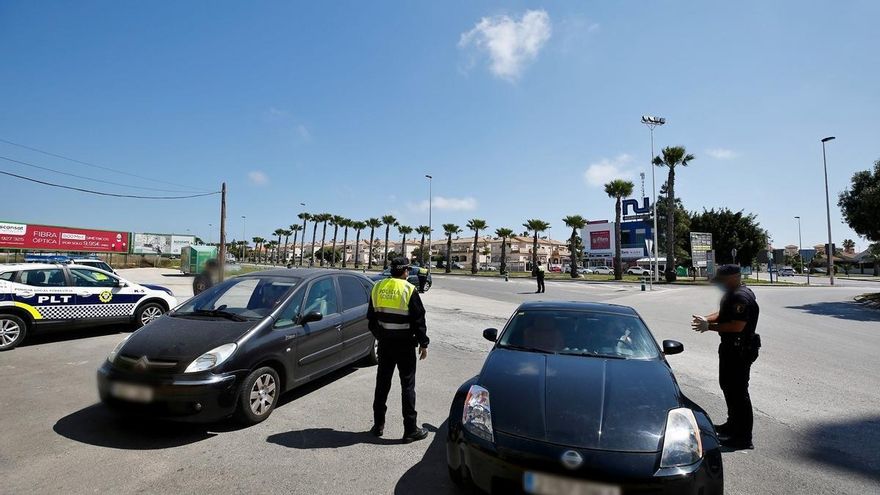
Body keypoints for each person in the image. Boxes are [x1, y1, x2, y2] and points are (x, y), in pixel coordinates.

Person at [692, 264, 761, 450]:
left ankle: (743, 437)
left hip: (739, 349)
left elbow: (737, 325)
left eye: (722, 280)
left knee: (738, 392)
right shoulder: (734, 293)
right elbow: (723, 314)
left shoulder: (741, 296)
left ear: (733, 278)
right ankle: (732, 425)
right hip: (731, 348)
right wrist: (707, 319)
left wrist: (710, 328)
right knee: (729, 387)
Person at [368, 257, 430, 443]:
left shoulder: (377, 287)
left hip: (386, 345)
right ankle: (410, 430)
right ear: (405, 271)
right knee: (407, 386)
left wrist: (382, 336)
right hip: (405, 346)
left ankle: (378, 425)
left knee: (382, 385)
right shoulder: (409, 289)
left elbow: (371, 319)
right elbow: (419, 320)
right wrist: (423, 343)